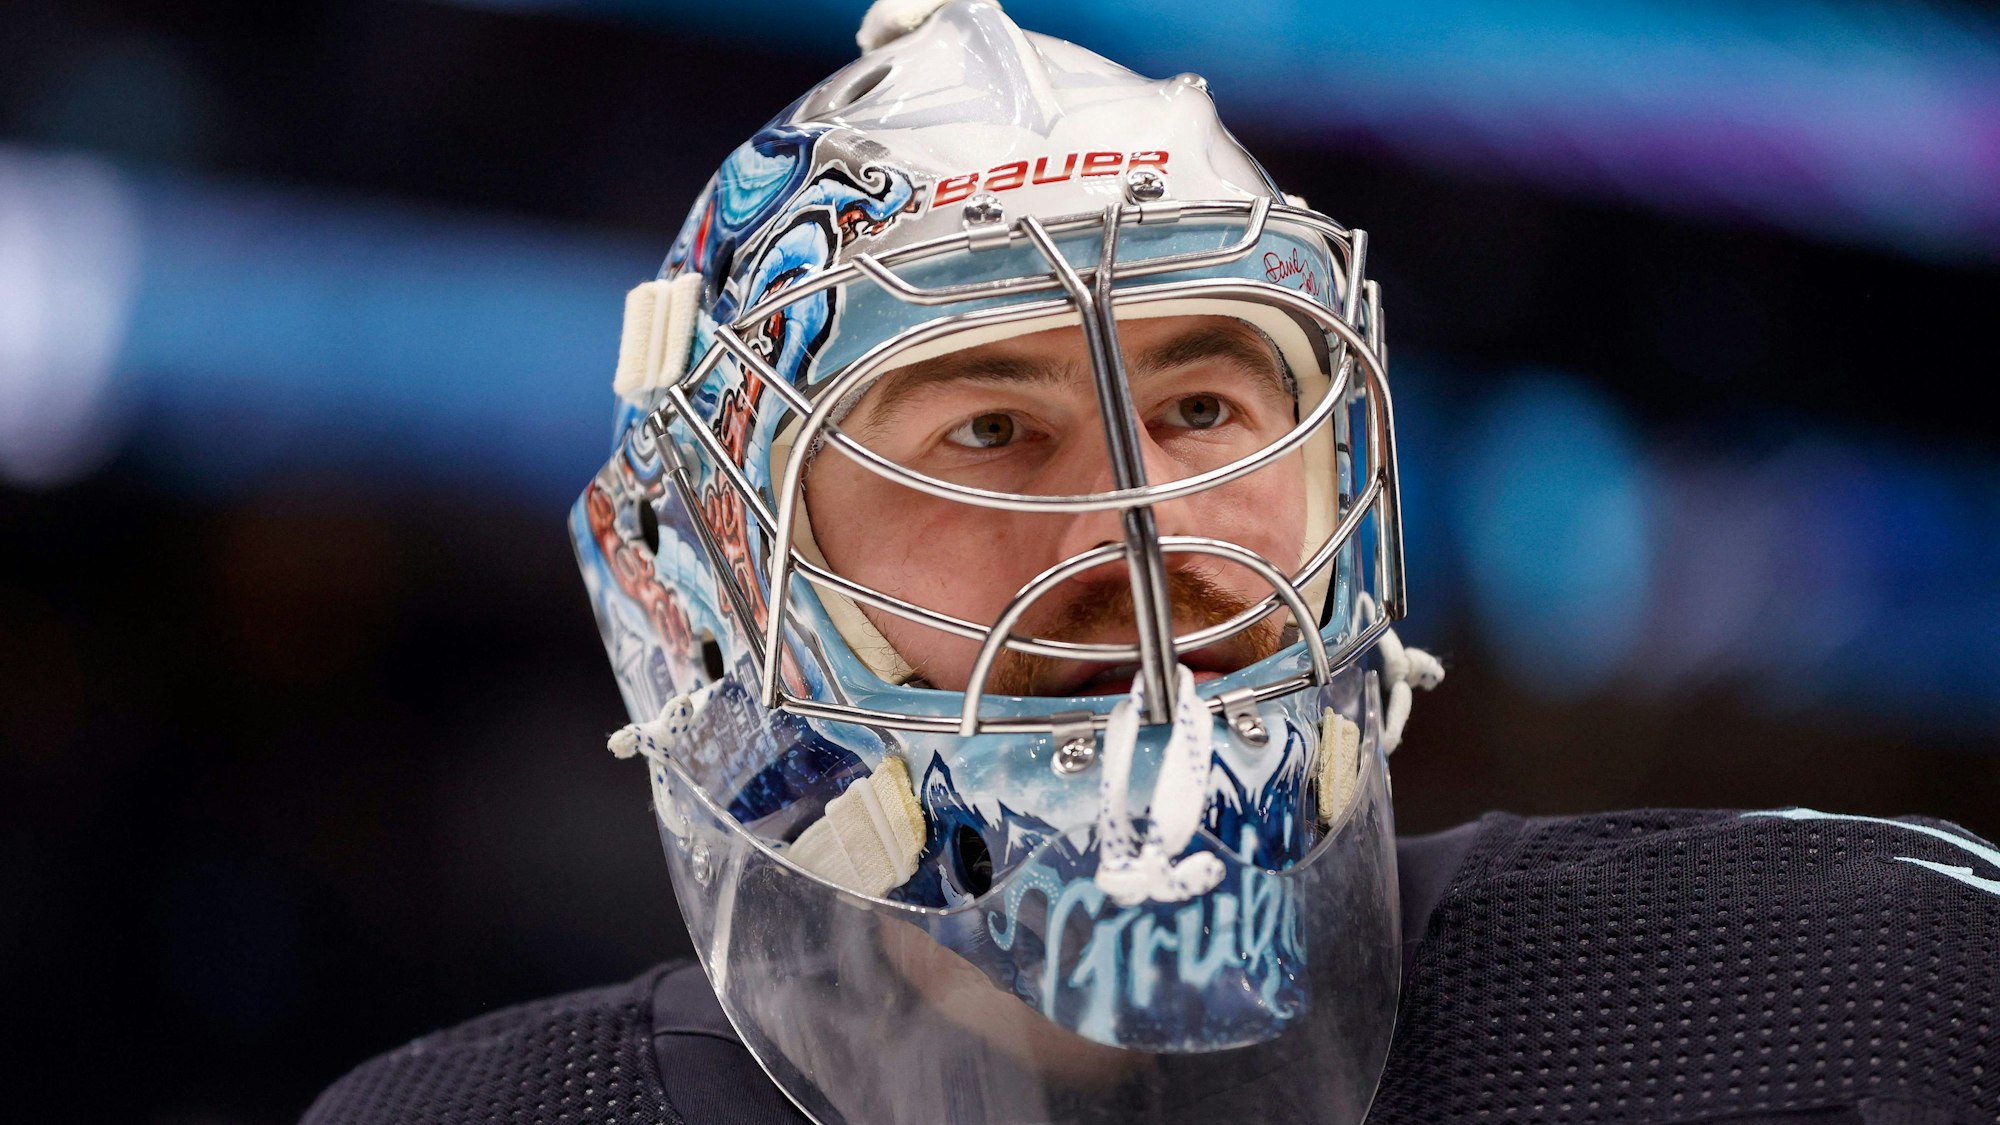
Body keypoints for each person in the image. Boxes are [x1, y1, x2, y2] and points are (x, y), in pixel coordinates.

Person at [304, 2, 2000, 1122]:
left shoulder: (1864, 994)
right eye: (984, 426)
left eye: (1204, 399)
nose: (1143, 522)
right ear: (714, 577)